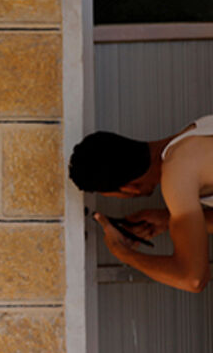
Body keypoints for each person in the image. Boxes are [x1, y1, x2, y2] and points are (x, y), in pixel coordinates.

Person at [69, 115, 213, 293]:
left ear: (129, 188)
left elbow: (193, 279)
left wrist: (122, 253)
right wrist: (168, 219)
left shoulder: (177, 173)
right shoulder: (197, 131)